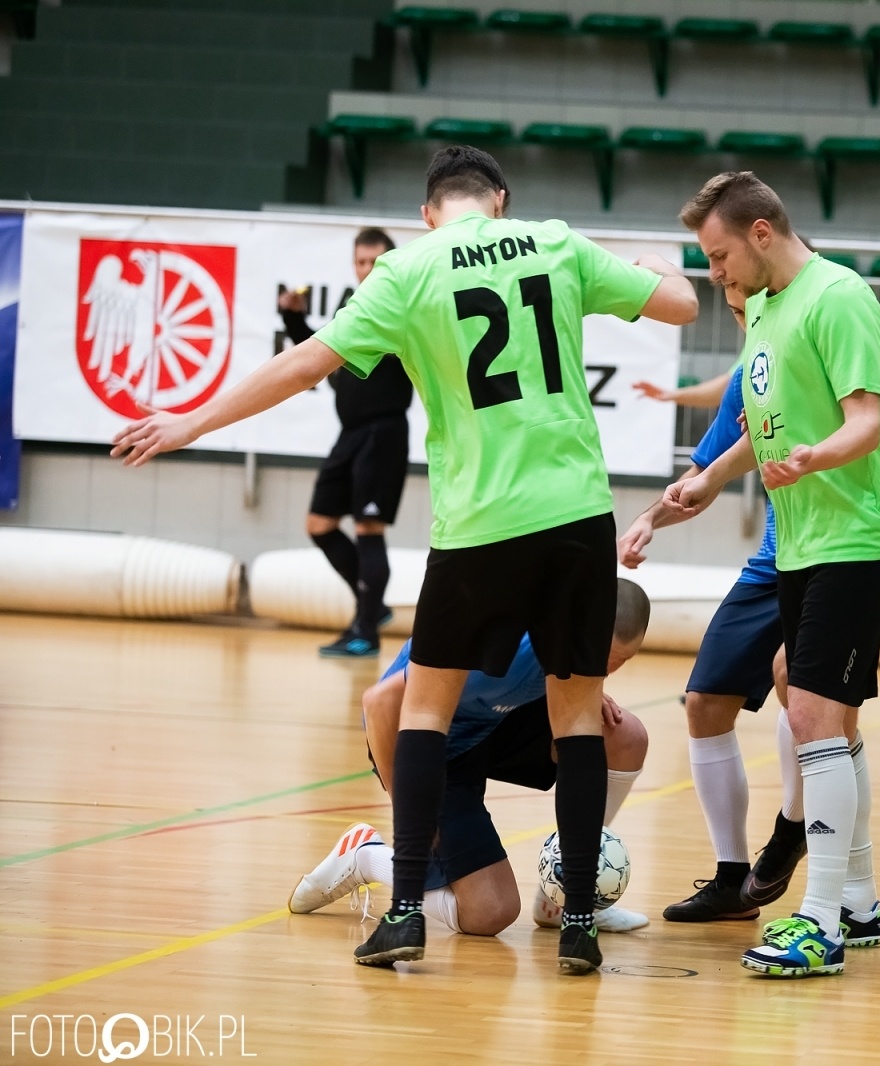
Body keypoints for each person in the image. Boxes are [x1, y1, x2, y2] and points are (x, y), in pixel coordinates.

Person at [110, 144, 699, 976]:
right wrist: (647, 266)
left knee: (423, 711)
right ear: (500, 199)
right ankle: (577, 931)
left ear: (429, 212)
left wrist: (191, 422)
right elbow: (680, 305)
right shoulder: (555, 243)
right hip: (575, 517)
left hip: (480, 522)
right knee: (578, 721)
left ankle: (405, 915)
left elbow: (301, 363)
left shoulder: (407, 271)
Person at [669, 172, 880, 978]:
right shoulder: (767, 309)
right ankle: (861, 901)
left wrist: (816, 457)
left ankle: (821, 921)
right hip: (807, 542)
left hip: (858, 538)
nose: (716, 275)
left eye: (719, 255)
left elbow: (868, 424)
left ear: (762, 232)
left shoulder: (838, 298)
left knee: (810, 712)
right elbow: (768, 427)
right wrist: (714, 476)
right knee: (815, 709)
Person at [621, 283, 880, 926]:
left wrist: (856, 450)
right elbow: (709, 471)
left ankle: (800, 836)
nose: (735, 306)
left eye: (736, 286)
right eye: (728, 298)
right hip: (775, 561)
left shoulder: (827, 330)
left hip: (841, 550)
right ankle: (735, 878)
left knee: (808, 698)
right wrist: (647, 521)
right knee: (705, 702)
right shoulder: (753, 367)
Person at [288, 579, 655, 936]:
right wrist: (409, 808)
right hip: (432, 747)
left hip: (493, 721)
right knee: (490, 912)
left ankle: (562, 898)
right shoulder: (498, 647)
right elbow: (378, 703)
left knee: (623, 736)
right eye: (604, 658)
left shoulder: (571, 637)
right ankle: (365, 857)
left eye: (621, 662)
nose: (605, 671)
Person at [278, 228, 414, 659]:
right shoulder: (352, 307)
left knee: (367, 528)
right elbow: (324, 359)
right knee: (318, 524)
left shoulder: (402, 307)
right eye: (360, 262)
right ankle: (372, 609)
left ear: (390, 262)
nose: (366, 270)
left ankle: (366, 632)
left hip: (383, 432)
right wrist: (294, 320)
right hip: (351, 434)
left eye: (374, 262)